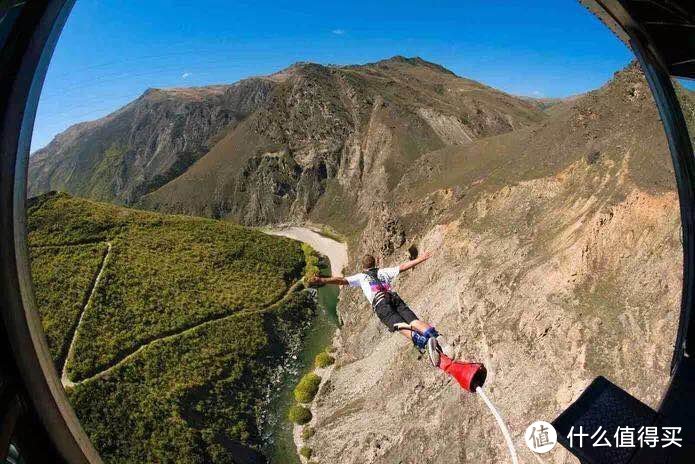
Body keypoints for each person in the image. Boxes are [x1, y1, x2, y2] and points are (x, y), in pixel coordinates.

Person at [308, 251, 444, 366]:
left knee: (399, 325)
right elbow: (402, 267)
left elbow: (341, 280)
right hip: (393, 297)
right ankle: (434, 335)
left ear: (363, 266)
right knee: (413, 320)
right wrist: (421, 258)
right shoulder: (383, 271)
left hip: (380, 304)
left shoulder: (361, 277)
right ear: (376, 262)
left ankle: (424, 342)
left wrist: (323, 280)